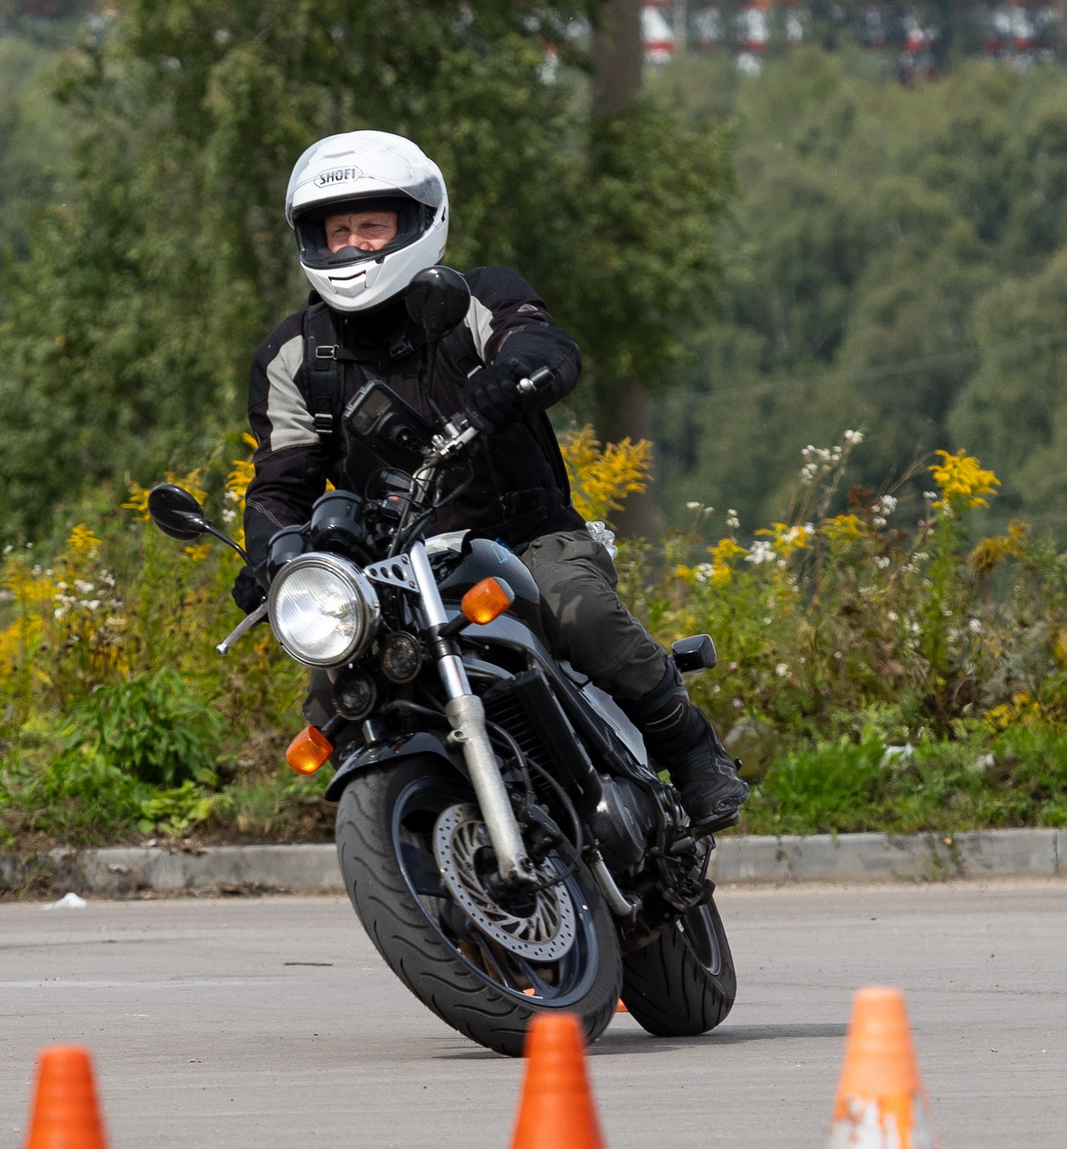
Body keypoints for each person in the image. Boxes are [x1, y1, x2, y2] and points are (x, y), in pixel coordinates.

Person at [237, 128, 748, 831]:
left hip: (525, 537)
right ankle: (410, 832)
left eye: (371, 225)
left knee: (580, 608)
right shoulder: (296, 354)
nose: (353, 243)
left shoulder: (476, 297)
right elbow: (280, 483)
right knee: (336, 687)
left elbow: (545, 344)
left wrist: (510, 377)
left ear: (416, 221)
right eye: (338, 229)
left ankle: (690, 749)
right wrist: (273, 554)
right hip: (394, 573)